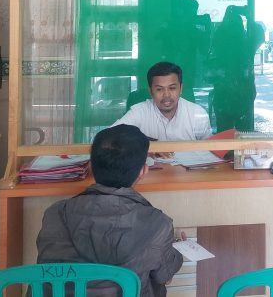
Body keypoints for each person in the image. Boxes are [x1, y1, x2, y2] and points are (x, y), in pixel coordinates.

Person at [36, 124, 183, 297]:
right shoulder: (157, 224)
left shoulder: (55, 214)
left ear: (91, 166)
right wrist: (174, 249)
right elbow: (164, 276)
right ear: (143, 171)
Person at [111, 61, 211, 140]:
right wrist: (144, 145)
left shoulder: (197, 114)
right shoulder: (138, 112)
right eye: (159, 89)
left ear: (181, 88)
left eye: (172, 88)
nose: (166, 95)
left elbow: (210, 148)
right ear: (150, 91)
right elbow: (107, 137)